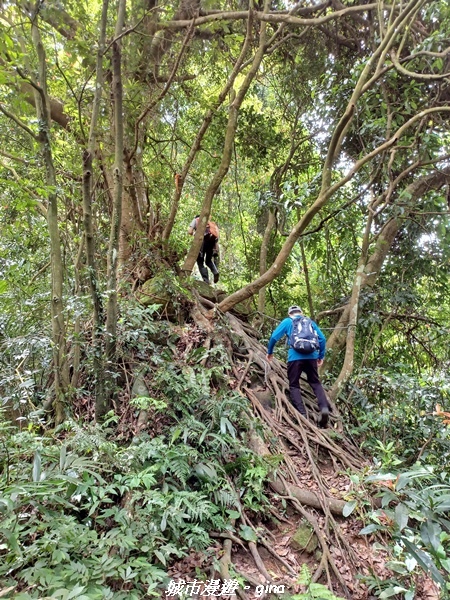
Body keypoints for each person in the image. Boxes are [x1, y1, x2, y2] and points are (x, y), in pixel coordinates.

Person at [266, 305, 330, 427]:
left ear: (290, 314)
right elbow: (322, 339)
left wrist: (270, 352)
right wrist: (320, 356)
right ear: (301, 313)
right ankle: (324, 408)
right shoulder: (309, 322)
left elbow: (274, 337)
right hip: (312, 357)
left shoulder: (287, 321)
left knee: (294, 384)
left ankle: (302, 414)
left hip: (295, 358)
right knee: (315, 383)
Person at [188, 215, 220, 284]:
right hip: (211, 242)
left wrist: (195, 234)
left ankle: (206, 280)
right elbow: (217, 236)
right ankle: (215, 272)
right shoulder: (210, 223)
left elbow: (190, 231)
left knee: (200, 262)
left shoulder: (196, 220)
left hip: (202, 242)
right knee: (208, 260)